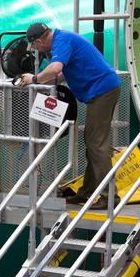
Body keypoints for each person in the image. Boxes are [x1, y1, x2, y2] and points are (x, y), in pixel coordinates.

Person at [18, 23, 121, 208]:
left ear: (40, 41)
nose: (36, 50)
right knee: (92, 143)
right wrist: (42, 81)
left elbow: (56, 68)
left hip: (102, 91)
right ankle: (88, 192)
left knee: (96, 144)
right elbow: (63, 73)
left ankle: (109, 197)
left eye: (35, 46)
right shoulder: (63, 38)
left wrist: (34, 79)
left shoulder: (61, 40)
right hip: (100, 90)